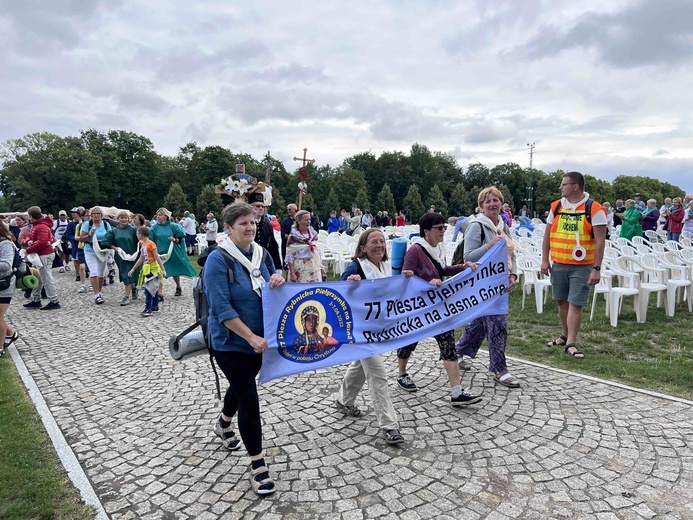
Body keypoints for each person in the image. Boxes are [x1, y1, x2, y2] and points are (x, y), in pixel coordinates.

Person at [204, 203, 285, 496]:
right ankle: (258, 465)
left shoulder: (260, 254)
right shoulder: (218, 260)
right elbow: (221, 307)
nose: (250, 228)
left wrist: (277, 279)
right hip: (230, 342)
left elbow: (270, 282)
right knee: (249, 397)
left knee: (241, 387)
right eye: (243, 224)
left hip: (259, 340)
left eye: (252, 222)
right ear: (228, 228)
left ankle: (223, 424)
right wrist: (250, 336)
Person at [395, 212, 481, 406]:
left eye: (444, 227)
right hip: (418, 308)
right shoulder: (415, 251)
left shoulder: (438, 249)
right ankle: (401, 373)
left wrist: (464, 267)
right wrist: (427, 282)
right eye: (439, 228)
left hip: (437, 307)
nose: (443, 231)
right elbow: (405, 278)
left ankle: (457, 392)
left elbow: (442, 270)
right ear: (426, 230)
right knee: (410, 341)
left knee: (448, 344)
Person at [336, 228, 411, 444]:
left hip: (379, 329)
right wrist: (349, 282)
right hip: (361, 331)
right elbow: (338, 290)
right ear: (362, 248)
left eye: (382, 241)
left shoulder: (387, 267)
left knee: (361, 366)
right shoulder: (356, 266)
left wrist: (405, 281)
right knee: (378, 373)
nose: (379, 245)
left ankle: (344, 399)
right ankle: (389, 426)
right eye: (374, 242)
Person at [454, 187, 520, 388]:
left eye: (496, 200)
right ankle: (500, 369)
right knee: (497, 323)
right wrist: (491, 245)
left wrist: (513, 273)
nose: (492, 204)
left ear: (501, 203)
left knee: (481, 323)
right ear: (481, 206)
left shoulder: (503, 225)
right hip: (483, 284)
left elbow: (512, 253)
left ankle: (457, 351)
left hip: (500, 283)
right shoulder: (477, 226)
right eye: (488, 201)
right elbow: (469, 257)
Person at [541, 171, 606, 359]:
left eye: (564, 184)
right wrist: (545, 259)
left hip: (582, 266)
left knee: (575, 303)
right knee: (561, 301)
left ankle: (571, 342)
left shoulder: (594, 209)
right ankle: (564, 334)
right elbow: (548, 235)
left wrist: (596, 268)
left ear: (575, 186)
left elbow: (601, 242)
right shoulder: (556, 206)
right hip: (559, 263)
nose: (561, 187)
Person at [149, 207, 196, 298]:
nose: (158, 217)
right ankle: (160, 292)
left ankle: (178, 286)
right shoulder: (154, 227)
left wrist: (175, 239)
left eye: (160, 215)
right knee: (159, 271)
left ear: (166, 216)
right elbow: (151, 239)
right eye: (157, 215)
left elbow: (181, 236)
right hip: (159, 252)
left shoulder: (173, 226)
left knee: (175, 270)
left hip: (171, 252)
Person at [23, 206, 61, 310]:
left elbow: (42, 243)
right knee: (38, 277)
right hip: (41, 255)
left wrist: (28, 249)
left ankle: (54, 300)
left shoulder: (40, 226)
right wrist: (29, 241)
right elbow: (29, 236)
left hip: (44, 254)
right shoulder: (38, 225)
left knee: (46, 278)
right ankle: (36, 299)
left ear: (30, 216)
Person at [101, 211, 140, 306]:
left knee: (129, 274)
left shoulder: (133, 229)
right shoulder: (114, 231)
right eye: (121, 217)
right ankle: (133, 288)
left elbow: (142, 238)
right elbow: (105, 241)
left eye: (125, 217)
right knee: (125, 274)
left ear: (128, 219)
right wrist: (114, 247)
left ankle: (126, 296)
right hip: (121, 256)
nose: (123, 219)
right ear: (118, 219)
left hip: (133, 255)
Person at [128, 226, 166, 317]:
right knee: (152, 288)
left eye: (137, 233)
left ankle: (148, 308)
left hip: (152, 269)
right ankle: (155, 305)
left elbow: (156, 257)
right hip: (147, 268)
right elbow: (141, 258)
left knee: (148, 289)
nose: (137, 235)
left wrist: (163, 269)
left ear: (141, 234)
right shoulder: (143, 245)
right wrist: (133, 269)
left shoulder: (151, 244)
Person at [79, 207, 112, 305]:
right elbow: (81, 239)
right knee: (94, 272)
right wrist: (89, 235)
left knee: (101, 273)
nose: (96, 215)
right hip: (90, 250)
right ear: (91, 215)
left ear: (101, 215)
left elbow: (110, 236)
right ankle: (96, 295)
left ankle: (99, 292)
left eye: (98, 213)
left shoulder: (106, 225)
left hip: (102, 251)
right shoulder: (87, 225)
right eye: (94, 213)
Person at [285, 210, 325, 282]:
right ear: (298, 221)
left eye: (309, 219)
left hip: (313, 266)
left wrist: (321, 269)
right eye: (306, 220)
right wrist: (292, 274)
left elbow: (317, 252)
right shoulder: (293, 237)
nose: (309, 221)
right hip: (299, 267)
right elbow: (289, 256)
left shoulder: (313, 235)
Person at [248, 193, 282, 272]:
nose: (261, 208)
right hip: (250, 261)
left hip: (265, 262)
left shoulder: (267, 225)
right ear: (250, 207)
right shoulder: (246, 225)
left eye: (262, 206)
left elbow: (273, 245)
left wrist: (278, 266)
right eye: (257, 206)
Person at [0, 224, 20, 356]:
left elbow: (7, 265)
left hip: (4, 284)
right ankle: (11, 333)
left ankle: (0, 347)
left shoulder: (5, 244)